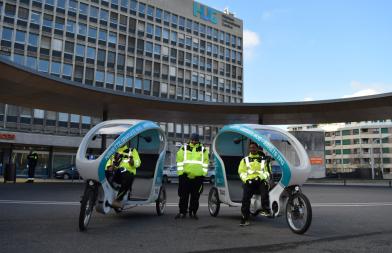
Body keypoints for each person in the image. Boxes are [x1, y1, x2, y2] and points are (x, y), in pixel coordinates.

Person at [175, 133, 209, 220]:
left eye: (195, 140)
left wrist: (203, 175)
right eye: (192, 140)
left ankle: (193, 212)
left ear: (198, 140)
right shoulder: (184, 148)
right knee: (183, 196)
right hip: (185, 177)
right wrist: (180, 174)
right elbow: (179, 161)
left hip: (198, 178)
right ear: (190, 140)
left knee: (195, 197)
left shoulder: (203, 150)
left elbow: (205, 163)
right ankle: (182, 212)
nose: (194, 141)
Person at [238, 142, 271, 226]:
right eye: (251, 147)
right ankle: (244, 219)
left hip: (260, 180)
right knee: (245, 199)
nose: (252, 149)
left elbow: (267, 172)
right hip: (249, 181)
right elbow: (241, 172)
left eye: (254, 147)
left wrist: (260, 177)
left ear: (257, 148)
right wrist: (247, 180)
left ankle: (266, 210)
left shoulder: (264, 160)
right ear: (249, 149)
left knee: (265, 190)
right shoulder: (244, 160)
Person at [111, 144, 141, 209]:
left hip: (128, 172)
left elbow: (138, 162)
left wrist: (132, 162)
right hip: (116, 172)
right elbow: (108, 161)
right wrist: (111, 166)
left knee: (127, 177)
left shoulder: (132, 150)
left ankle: (118, 200)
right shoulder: (112, 150)